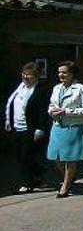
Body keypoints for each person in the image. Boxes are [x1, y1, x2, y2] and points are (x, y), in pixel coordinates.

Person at [46, 61, 83, 198]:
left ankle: (65, 186)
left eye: (64, 72)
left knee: (70, 157)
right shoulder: (56, 88)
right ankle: (70, 177)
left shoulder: (81, 89)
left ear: (72, 74)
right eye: (59, 72)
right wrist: (51, 111)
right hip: (57, 126)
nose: (61, 75)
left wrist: (66, 111)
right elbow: (51, 104)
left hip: (74, 127)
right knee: (56, 157)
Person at [4, 62, 50, 192]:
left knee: (26, 155)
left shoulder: (40, 90)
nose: (25, 77)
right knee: (20, 155)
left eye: (28, 75)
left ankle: (27, 183)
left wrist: (40, 128)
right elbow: (11, 104)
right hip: (17, 126)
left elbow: (42, 111)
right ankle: (38, 175)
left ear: (36, 77)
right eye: (24, 74)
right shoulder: (19, 88)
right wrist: (8, 120)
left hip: (30, 128)